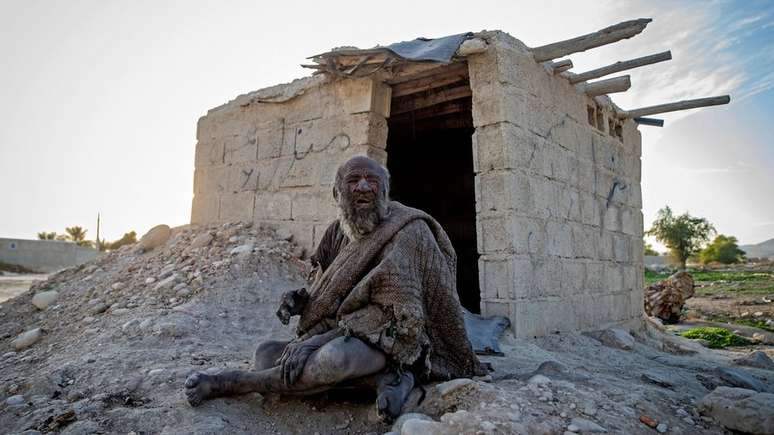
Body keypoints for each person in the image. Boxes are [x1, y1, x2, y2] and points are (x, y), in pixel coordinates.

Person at [185, 155, 484, 420]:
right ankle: (385, 380)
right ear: (337, 192)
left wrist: (312, 343)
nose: (363, 187)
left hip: (393, 341)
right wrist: (300, 301)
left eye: (372, 181)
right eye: (353, 180)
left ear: (384, 190)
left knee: (335, 359)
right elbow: (325, 289)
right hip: (343, 333)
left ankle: (234, 382)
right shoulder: (337, 232)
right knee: (265, 354)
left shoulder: (408, 232)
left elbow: (397, 320)